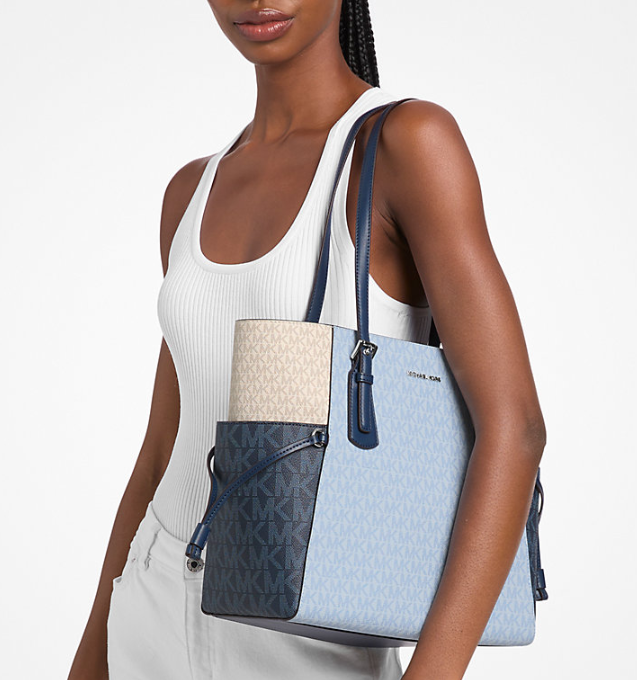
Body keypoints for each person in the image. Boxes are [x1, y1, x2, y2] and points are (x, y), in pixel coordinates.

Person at [68, 1, 547, 679]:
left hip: (309, 634)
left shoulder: (405, 144)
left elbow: (514, 428)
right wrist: (92, 655)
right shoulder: (190, 191)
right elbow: (161, 450)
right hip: (152, 606)